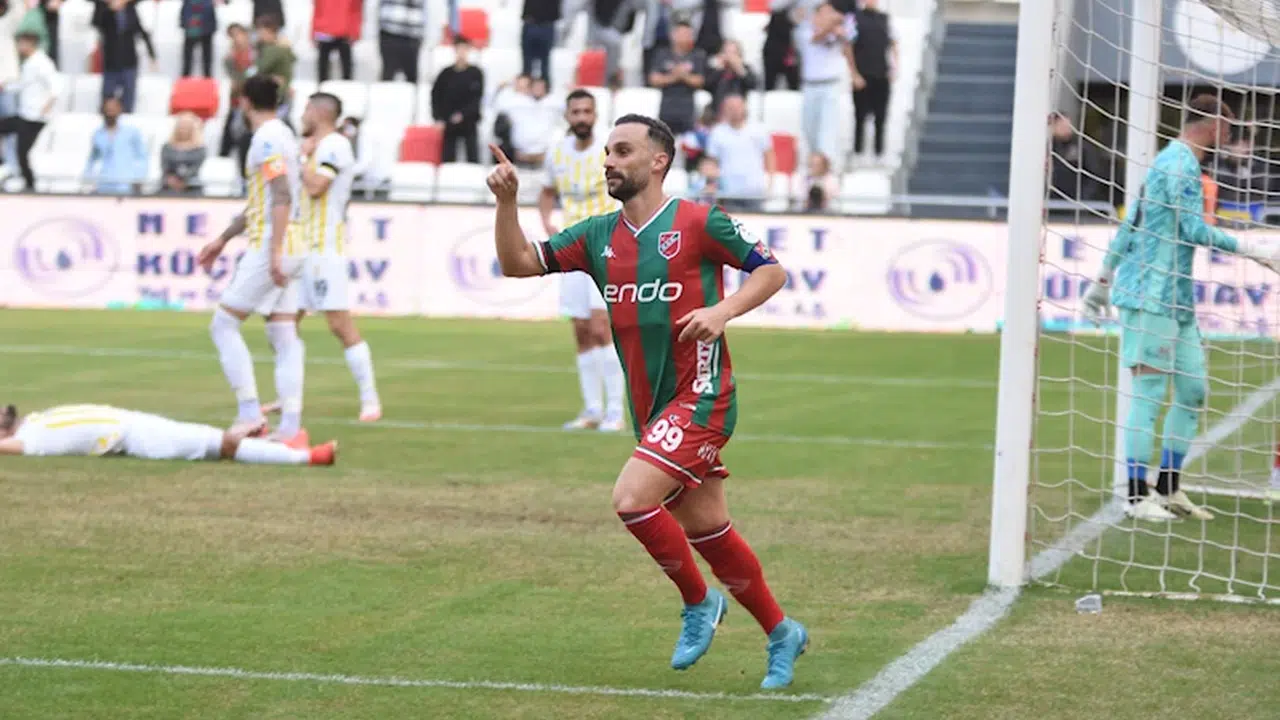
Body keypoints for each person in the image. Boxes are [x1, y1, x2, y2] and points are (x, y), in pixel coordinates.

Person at [487, 114, 808, 689]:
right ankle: (782, 632)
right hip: (652, 409)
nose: (608, 161)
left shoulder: (699, 221)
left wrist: (722, 311)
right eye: (607, 152)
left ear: (658, 161)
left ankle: (699, 602)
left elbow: (772, 272)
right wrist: (507, 202)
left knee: (632, 499)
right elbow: (518, 263)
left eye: (622, 151)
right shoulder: (596, 236)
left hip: (702, 396)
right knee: (710, 530)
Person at [1082, 94, 1280, 522]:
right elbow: (1193, 229)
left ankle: (1168, 487)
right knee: (1150, 392)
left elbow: (1131, 223)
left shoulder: (1173, 162)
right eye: (1228, 129)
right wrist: (1255, 249)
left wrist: (1101, 281)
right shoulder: (1178, 165)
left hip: (1176, 299)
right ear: (1214, 125)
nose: (1230, 136)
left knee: (1193, 391)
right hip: (1150, 296)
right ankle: (1135, 496)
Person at [197, 74, 309, 448]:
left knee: (223, 325)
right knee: (283, 334)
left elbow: (281, 195)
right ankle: (290, 427)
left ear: (244, 102)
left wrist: (274, 251)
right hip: (296, 240)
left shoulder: (266, 140)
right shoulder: (284, 134)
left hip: (273, 243)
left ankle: (249, 414)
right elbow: (266, 199)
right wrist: (223, 239)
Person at [537, 89, 626, 432]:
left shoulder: (608, 150)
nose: (582, 117)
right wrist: (547, 222)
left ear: (595, 114)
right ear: (567, 116)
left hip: (606, 246)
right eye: (576, 112)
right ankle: (591, 410)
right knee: (581, 329)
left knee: (602, 327)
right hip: (571, 249)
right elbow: (547, 191)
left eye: (587, 111)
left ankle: (615, 411)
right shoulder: (557, 153)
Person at [292, 91, 383, 422]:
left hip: (324, 248)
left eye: (306, 110)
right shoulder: (315, 147)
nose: (302, 116)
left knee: (339, 324)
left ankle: (370, 399)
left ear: (318, 112)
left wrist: (300, 160)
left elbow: (317, 186)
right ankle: (289, 399)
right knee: (284, 323)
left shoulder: (335, 146)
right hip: (301, 246)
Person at [0, 404, 335, 465]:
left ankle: (283, 445)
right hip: (134, 436)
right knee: (222, 444)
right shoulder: (31, 441)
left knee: (218, 439)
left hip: (133, 421)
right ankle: (307, 457)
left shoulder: (33, 422)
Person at [0, 31, 59, 191]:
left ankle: (30, 186)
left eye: (21, 43)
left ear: (29, 44)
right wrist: (5, 85)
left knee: (22, 153)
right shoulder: (29, 63)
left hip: (35, 117)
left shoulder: (43, 63)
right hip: (24, 115)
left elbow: (56, 86)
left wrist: (47, 106)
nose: (18, 47)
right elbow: (22, 85)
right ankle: (5, 165)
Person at [160, 111, 207, 195]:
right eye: (181, 126)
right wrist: (171, 179)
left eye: (187, 127)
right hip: (168, 185)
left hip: (191, 186)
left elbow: (195, 168)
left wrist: (184, 180)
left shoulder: (200, 149)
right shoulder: (167, 147)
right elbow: (165, 166)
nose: (183, 129)